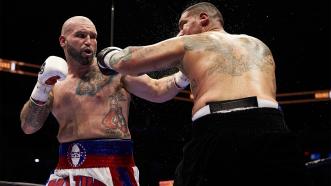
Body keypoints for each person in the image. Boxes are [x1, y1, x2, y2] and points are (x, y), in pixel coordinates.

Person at [97, 2, 311, 186]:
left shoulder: (190, 42)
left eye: (183, 24)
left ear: (203, 18)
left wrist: (107, 57)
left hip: (219, 131)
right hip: (272, 128)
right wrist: (182, 76)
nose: (180, 32)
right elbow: (162, 91)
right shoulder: (258, 45)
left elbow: (128, 61)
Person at [20, 16, 189, 186]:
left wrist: (185, 74)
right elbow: (28, 127)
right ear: (63, 41)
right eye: (81, 35)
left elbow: (157, 90)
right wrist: (41, 88)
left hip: (113, 168)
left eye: (93, 37)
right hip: (65, 170)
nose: (89, 41)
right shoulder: (54, 82)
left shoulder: (114, 71)